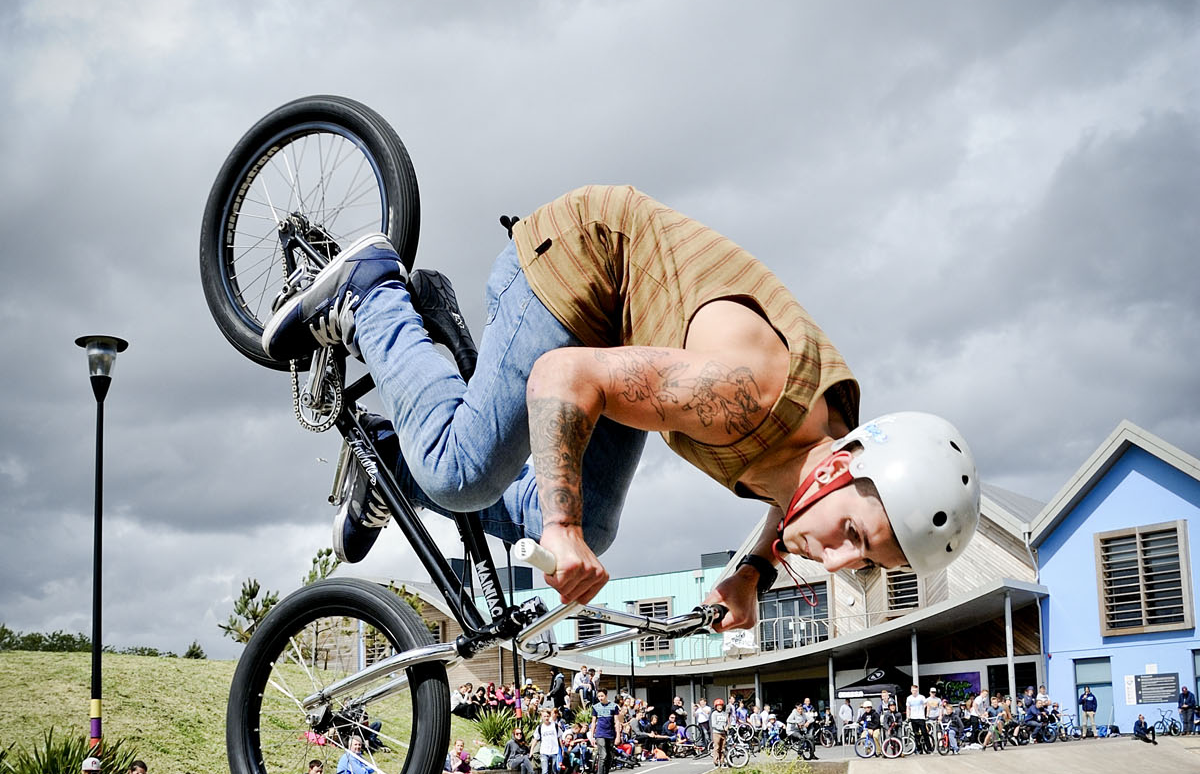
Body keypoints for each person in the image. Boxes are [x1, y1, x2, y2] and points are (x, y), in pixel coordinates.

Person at [261, 194, 981, 629]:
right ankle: (370, 288)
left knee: (593, 529)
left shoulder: (820, 452)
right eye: (856, 534)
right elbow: (562, 374)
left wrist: (752, 575)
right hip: (578, 268)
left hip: (624, 342)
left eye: (865, 564)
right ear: (846, 467)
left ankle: (390, 464)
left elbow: (789, 502)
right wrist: (558, 528)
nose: (840, 561)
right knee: (465, 473)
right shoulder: (741, 394)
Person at [589, 686, 621, 774]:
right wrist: (592, 735)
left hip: (610, 734)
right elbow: (593, 722)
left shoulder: (613, 706)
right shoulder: (595, 707)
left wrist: (618, 736)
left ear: (606, 696)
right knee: (603, 756)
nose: (600, 698)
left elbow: (617, 722)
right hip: (600, 734)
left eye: (602, 696)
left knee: (609, 757)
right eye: (599, 696)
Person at [536, 705, 561, 774]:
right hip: (544, 751)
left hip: (554, 751)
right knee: (545, 771)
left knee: (554, 771)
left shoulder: (554, 726)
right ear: (541, 717)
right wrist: (531, 750)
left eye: (547, 716)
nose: (546, 718)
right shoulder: (540, 727)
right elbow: (536, 739)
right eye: (544, 716)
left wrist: (561, 750)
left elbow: (559, 737)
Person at [709, 697, 730, 766]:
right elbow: (714, 724)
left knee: (723, 748)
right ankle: (715, 761)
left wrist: (727, 726)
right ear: (716, 707)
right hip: (716, 733)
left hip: (723, 733)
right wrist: (722, 728)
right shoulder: (714, 714)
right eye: (718, 706)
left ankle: (722, 760)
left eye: (721, 705)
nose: (720, 707)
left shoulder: (725, 714)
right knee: (717, 747)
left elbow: (727, 722)